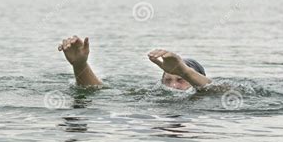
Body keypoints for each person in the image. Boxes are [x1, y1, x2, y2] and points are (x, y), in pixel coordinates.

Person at [58, 36, 211, 90]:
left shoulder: (209, 98)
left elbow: (216, 90)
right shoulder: (154, 96)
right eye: (167, 80)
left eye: (181, 80)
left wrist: (185, 71)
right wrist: (80, 65)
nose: (173, 86)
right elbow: (96, 92)